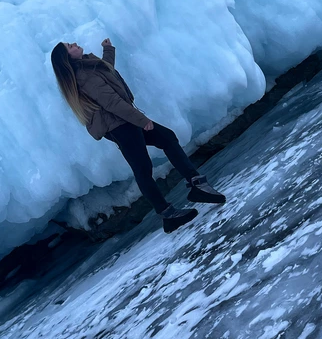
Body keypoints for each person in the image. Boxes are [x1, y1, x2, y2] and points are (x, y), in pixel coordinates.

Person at [50, 37, 225, 233]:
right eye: (69, 46)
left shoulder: (86, 66)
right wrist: (141, 120)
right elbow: (112, 102)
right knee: (143, 168)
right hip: (119, 125)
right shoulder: (83, 75)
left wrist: (108, 50)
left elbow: (106, 71)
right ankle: (169, 214)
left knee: (166, 139)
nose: (74, 44)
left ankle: (196, 185)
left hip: (122, 121)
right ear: (67, 59)